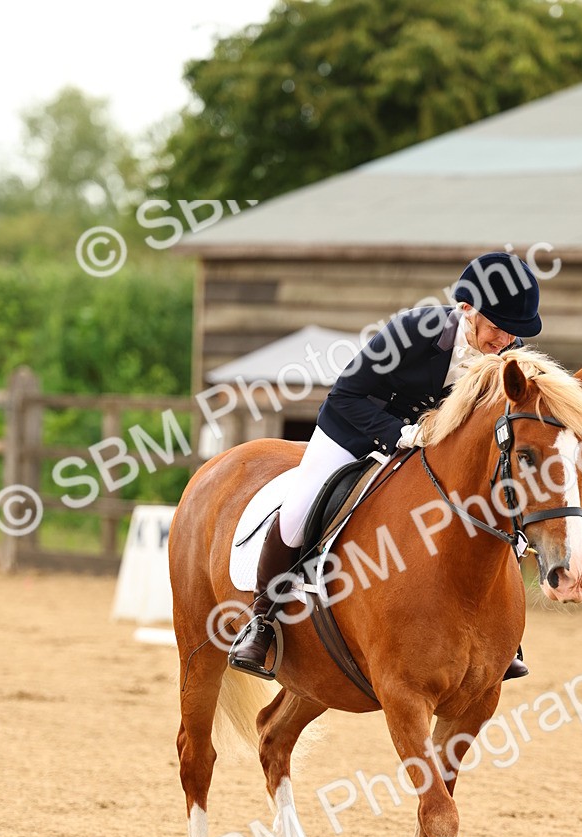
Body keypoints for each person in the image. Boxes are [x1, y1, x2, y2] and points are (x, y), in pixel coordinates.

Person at [228, 251, 542, 679]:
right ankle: (261, 621)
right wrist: (400, 434)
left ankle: (500, 634)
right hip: (354, 432)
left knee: (495, 513)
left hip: (427, 450)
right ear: (467, 308)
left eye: (514, 332)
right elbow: (345, 397)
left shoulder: (506, 352)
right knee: (298, 515)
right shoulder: (413, 332)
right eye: (498, 327)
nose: (506, 340)